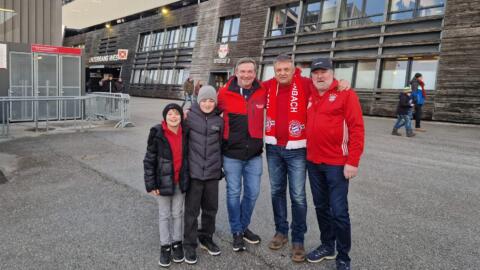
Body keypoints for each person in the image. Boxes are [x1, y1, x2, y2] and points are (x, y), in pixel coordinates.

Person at [305, 58, 365, 270]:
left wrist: (353, 161)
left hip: (337, 164)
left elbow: (357, 128)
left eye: (324, 71)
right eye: (316, 72)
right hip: (313, 162)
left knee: (339, 211)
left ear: (332, 73)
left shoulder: (345, 93)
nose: (320, 76)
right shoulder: (309, 93)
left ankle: (343, 256)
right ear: (311, 75)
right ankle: (327, 245)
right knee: (321, 207)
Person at [262, 54, 310, 262]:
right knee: (276, 191)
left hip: (297, 148)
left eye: (286, 70)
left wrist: (341, 83)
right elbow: (241, 85)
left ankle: (298, 239)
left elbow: (328, 86)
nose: (282, 73)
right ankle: (281, 231)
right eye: (278, 70)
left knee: (298, 195)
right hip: (273, 147)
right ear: (275, 71)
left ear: (293, 70)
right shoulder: (268, 86)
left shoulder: (306, 84)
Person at [217, 58, 266, 252]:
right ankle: (237, 231)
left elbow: (288, 84)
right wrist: (186, 113)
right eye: (243, 71)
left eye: (250, 71)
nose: (246, 75)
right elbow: (207, 109)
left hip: (254, 155)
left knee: (252, 193)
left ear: (255, 73)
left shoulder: (263, 91)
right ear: (236, 72)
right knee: (233, 193)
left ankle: (243, 226)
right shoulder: (224, 93)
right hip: (232, 155)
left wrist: (339, 84)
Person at [143, 103, 190, 268]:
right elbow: (149, 160)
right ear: (165, 117)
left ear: (181, 116)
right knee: (164, 214)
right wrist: (151, 184)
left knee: (178, 213)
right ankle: (165, 246)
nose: (173, 117)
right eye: (170, 114)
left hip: (180, 181)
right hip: (162, 182)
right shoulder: (157, 133)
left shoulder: (186, 132)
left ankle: (177, 243)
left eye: (176, 113)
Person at [183, 85, 224, 264]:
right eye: (204, 100)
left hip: (212, 174)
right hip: (194, 173)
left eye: (211, 100)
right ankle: (189, 244)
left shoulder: (219, 121)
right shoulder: (189, 117)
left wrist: (220, 168)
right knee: (192, 211)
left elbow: (223, 145)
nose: (208, 104)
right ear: (198, 101)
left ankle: (206, 238)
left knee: (210, 209)